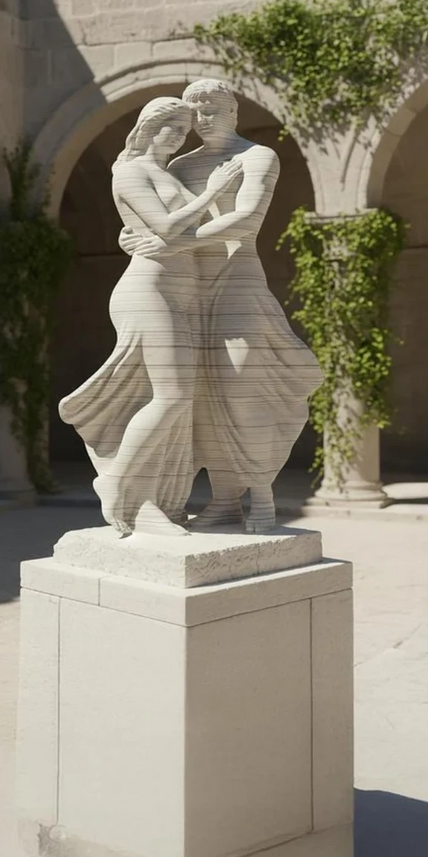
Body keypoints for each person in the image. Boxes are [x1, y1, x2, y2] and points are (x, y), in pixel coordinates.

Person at [121, 79, 323, 534]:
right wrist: (132, 237)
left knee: (240, 387)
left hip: (237, 280)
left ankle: (262, 496)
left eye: (212, 109)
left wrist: (170, 244)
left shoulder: (257, 157)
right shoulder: (180, 164)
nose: (202, 119)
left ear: (233, 111)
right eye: (195, 112)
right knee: (201, 399)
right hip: (188, 285)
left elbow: (247, 220)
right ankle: (225, 500)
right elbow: (160, 216)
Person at [58, 97, 239, 537]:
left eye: (184, 128)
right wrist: (213, 192)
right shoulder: (130, 172)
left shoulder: (168, 173)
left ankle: (150, 501)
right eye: (171, 126)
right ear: (147, 128)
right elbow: (167, 226)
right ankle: (117, 482)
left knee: (177, 400)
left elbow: (186, 233)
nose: (178, 135)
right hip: (148, 292)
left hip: (180, 294)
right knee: (171, 397)